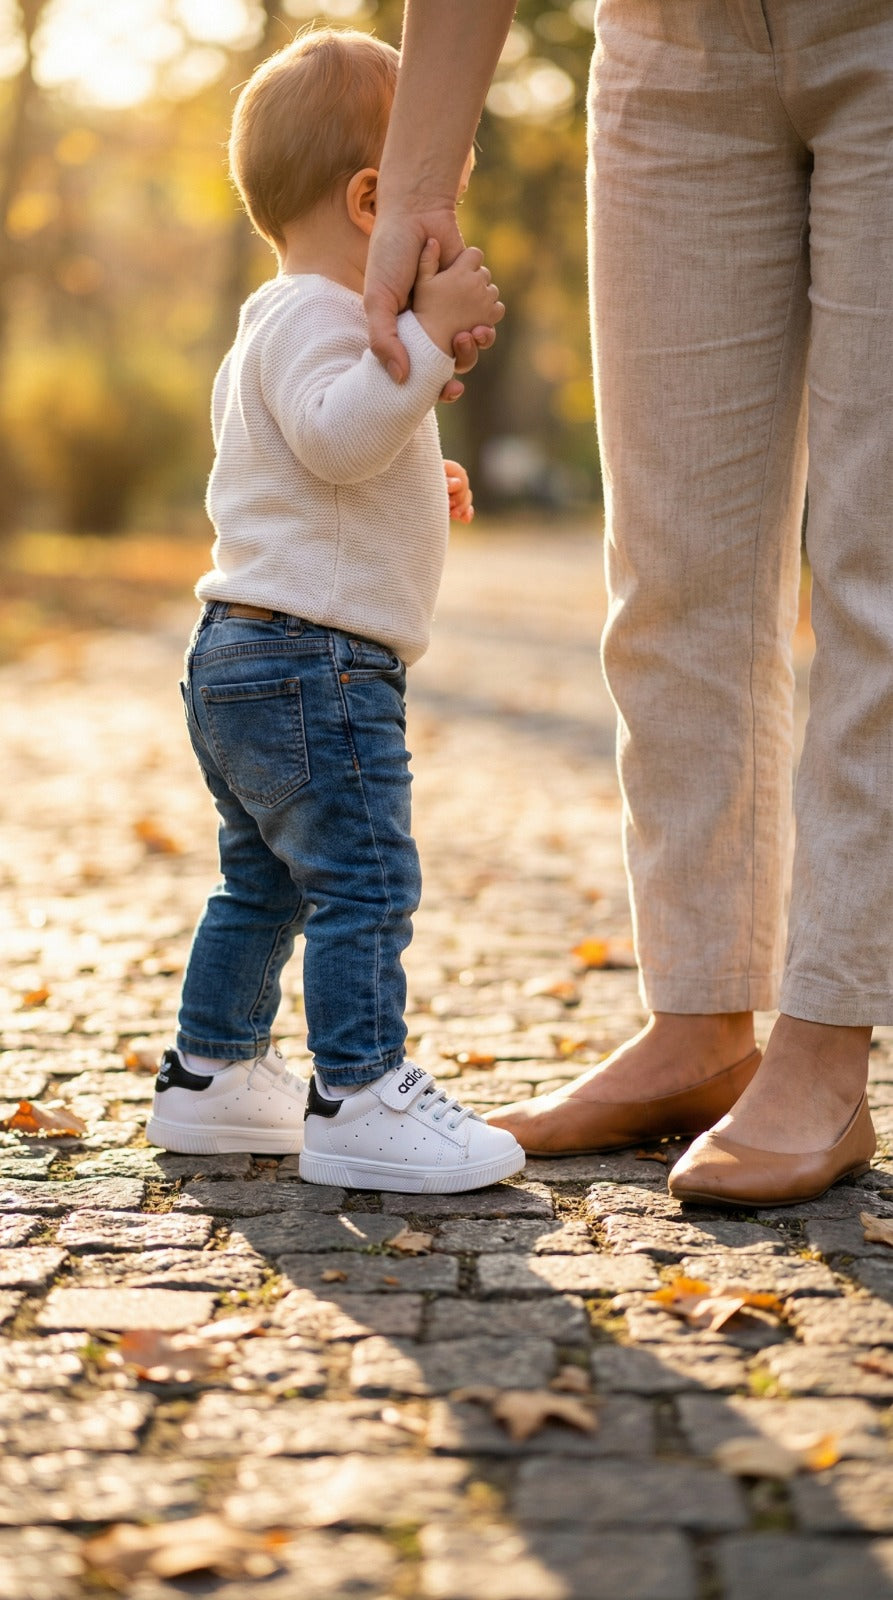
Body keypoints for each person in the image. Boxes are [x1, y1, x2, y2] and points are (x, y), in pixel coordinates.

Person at [363, 0, 890, 1206]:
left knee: (875, 564)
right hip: (666, 50)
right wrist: (414, 188)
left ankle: (825, 1036)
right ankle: (699, 1019)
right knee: (670, 571)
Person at [147, 27, 524, 1194]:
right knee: (365, 880)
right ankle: (359, 1092)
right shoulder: (323, 314)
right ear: (374, 200)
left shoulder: (268, 323)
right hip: (317, 666)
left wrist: (424, 467)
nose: (447, 234)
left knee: (259, 880)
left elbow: (312, 466)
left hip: (243, 656)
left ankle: (210, 1076)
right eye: (438, 208)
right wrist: (421, 337)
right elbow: (334, 430)